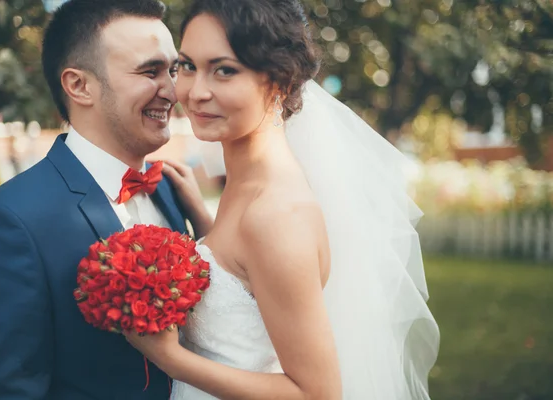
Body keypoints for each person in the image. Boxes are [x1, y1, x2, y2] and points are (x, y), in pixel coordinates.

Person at [125, 0, 440, 399]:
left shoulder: (275, 215)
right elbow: (248, 283)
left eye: (224, 70)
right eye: (187, 65)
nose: (195, 91)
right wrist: (203, 221)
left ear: (282, 82)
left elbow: (316, 393)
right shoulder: (252, 183)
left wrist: (171, 359)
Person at [0, 0, 211, 398]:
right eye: (150, 71)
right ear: (79, 86)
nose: (174, 90)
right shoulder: (9, 223)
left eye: (173, 70)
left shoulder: (168, 189)